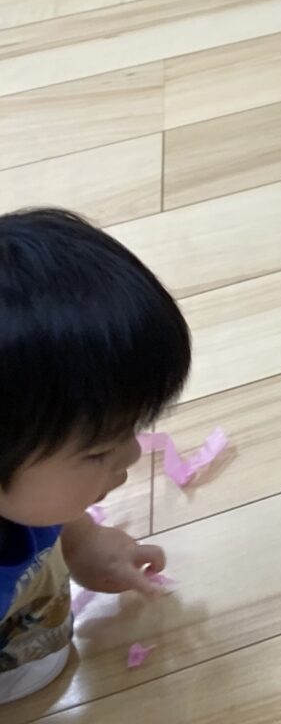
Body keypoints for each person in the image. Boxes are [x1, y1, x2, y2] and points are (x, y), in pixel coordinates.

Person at [0, 208, 192, 705]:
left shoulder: (26, 493)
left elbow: (44, 518)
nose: (131, 454)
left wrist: (82, 541)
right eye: (98, 451)